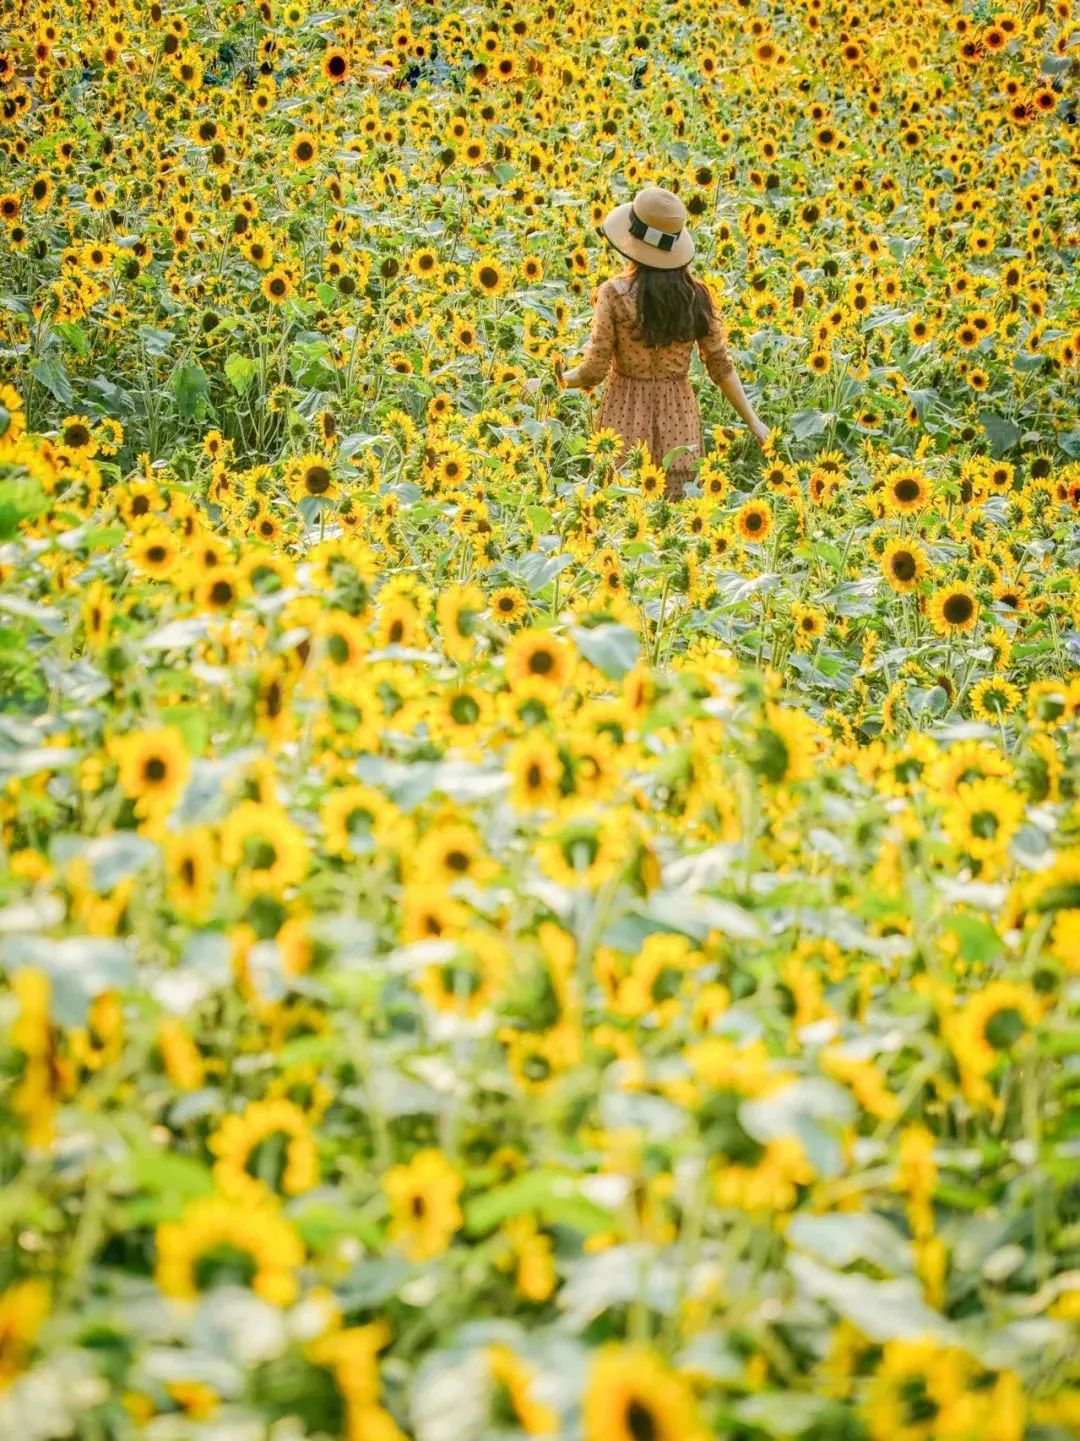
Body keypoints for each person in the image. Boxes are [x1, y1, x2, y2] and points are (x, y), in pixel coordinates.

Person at [556, 185, 771, 499]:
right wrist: (753, 421)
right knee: (677, 516)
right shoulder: (696, 296)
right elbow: (720, 366)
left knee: (621, 503)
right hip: (678, 415)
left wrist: (558, 381)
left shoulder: (614, 294)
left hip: (623, 412)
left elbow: (593, 370)